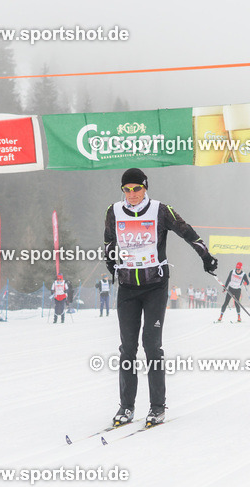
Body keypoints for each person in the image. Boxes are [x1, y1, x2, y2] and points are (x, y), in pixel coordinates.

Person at [104, 168, 218, 427]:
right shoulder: (113, 212)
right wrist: (111, 263)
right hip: (127, 288)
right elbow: (109, 241)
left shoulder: (160, 210)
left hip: (155, 286)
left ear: (145, 188)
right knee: (127, 349)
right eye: (127, 189)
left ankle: (157, 407)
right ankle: (126, 407)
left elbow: (186, 231)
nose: (132, 194)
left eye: (136, 188)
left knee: (152, 346)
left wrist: (206, 256)